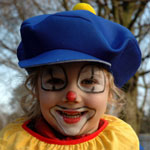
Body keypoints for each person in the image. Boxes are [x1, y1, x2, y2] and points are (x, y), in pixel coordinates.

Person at [0, 3, 142, 150]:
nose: (72, 96)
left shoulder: (122, 143)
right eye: (55, 81)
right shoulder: (13, 144)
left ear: (110, 93)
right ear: (36, 90)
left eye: (89, 81)